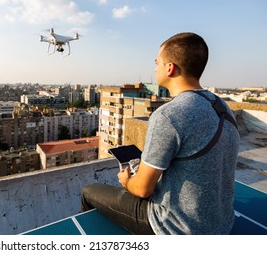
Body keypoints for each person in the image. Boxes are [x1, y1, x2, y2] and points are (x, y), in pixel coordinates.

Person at [81, 32, 240, 235]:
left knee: (89, 192)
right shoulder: (224, 108)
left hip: (179, 227)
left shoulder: (169, 115)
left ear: (170, 68)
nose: (155, 68)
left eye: (157, 62)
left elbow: (142, 190)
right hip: (221, 225)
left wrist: (127, 180)